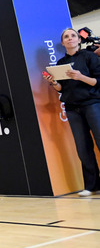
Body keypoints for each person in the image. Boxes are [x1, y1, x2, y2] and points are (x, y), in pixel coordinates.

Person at [45, 28, 100, 196]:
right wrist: (54, 82)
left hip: (92, 104)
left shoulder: (89, 57)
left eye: (73, 36)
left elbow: (97, 81)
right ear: (62, 43)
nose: (70, 38)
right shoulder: (60, 63)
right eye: (66, 37)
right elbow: (62, 88)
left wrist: (80, 77)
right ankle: (92, 186)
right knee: (82, 148)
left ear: (78, 40)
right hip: (72, 108)